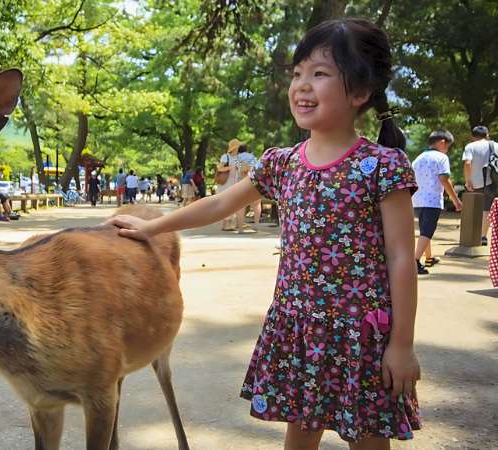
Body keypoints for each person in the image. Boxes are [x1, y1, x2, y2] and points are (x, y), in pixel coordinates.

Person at [106, 18, 420, 448]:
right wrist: (152, 226)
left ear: (361, 92)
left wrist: (401, 344)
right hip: (300, 328)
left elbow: (402, 257)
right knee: (300, 432)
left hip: (360, 335)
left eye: (320, 73)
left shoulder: (382, 166)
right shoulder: (281, 163)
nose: (302, 86)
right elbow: (219, 203)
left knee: (367, 438)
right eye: (297, 74)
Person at [412, 130, 462, 274]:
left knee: (424, 230)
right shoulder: (441, 157)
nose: (448, 149)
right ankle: (414, 262)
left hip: (417, 199)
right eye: (448, 146)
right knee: (427, 231)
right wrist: (456, 200)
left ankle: (429, 258)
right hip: (432, 199)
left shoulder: (418, 158)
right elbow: (444, 179)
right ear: (442, 142)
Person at [462, 125, 496, 245]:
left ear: (472, 137)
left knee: (473, 209)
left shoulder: (470, 146)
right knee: (487, 208)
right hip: (492, 181)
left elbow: (467, 163)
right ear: (487, 135)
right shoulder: (495, 145)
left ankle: (472, 235)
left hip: (475, 183)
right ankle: (483, 236)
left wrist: (468, 180)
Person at [217, 139, 254, 232]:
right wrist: (231, 167)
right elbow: (219, 168)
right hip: (225, 183)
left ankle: (228, 224)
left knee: (231, 203)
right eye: (238, 146)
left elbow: (241, 169)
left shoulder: (238, 158)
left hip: (234, 183)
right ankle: (226, 224)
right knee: (225, 202)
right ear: (235, 147)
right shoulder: (225, 157)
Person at [238, 144, 264, 228]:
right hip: (253, 182)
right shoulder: (252, 157)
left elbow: (236, 169)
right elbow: (257, 167)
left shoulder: (236, 157)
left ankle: (240, 228)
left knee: (240, 205)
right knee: (256, 204)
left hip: (240, 183)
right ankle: (256, 225)